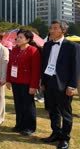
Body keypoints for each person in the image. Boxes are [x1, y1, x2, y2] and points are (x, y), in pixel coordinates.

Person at [41, 21, 79, 149]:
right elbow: (44, 65)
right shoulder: (47, 45)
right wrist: (43, 82)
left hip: (64, 85)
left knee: (66, 113)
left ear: (63, 30)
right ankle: (55, 133)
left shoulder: (72, 46)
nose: (51, 30)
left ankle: (65, 138)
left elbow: (75, 68)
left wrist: (72, 86)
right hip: (49, 82)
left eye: (55, 28)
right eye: (51, 28)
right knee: (52, 111)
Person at [6, 29, 40, 136]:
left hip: (27, 83)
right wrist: (8, 79)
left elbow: (36, 70)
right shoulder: (15, 50)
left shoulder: (33, 50)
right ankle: (19, 124)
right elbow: (10, 65)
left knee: (28, 105)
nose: (18, 39)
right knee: (18, 104)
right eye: (18, 37)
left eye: (21, 37)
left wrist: (33, 86)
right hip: (16, 81)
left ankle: (30, 127)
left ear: (28, 39)